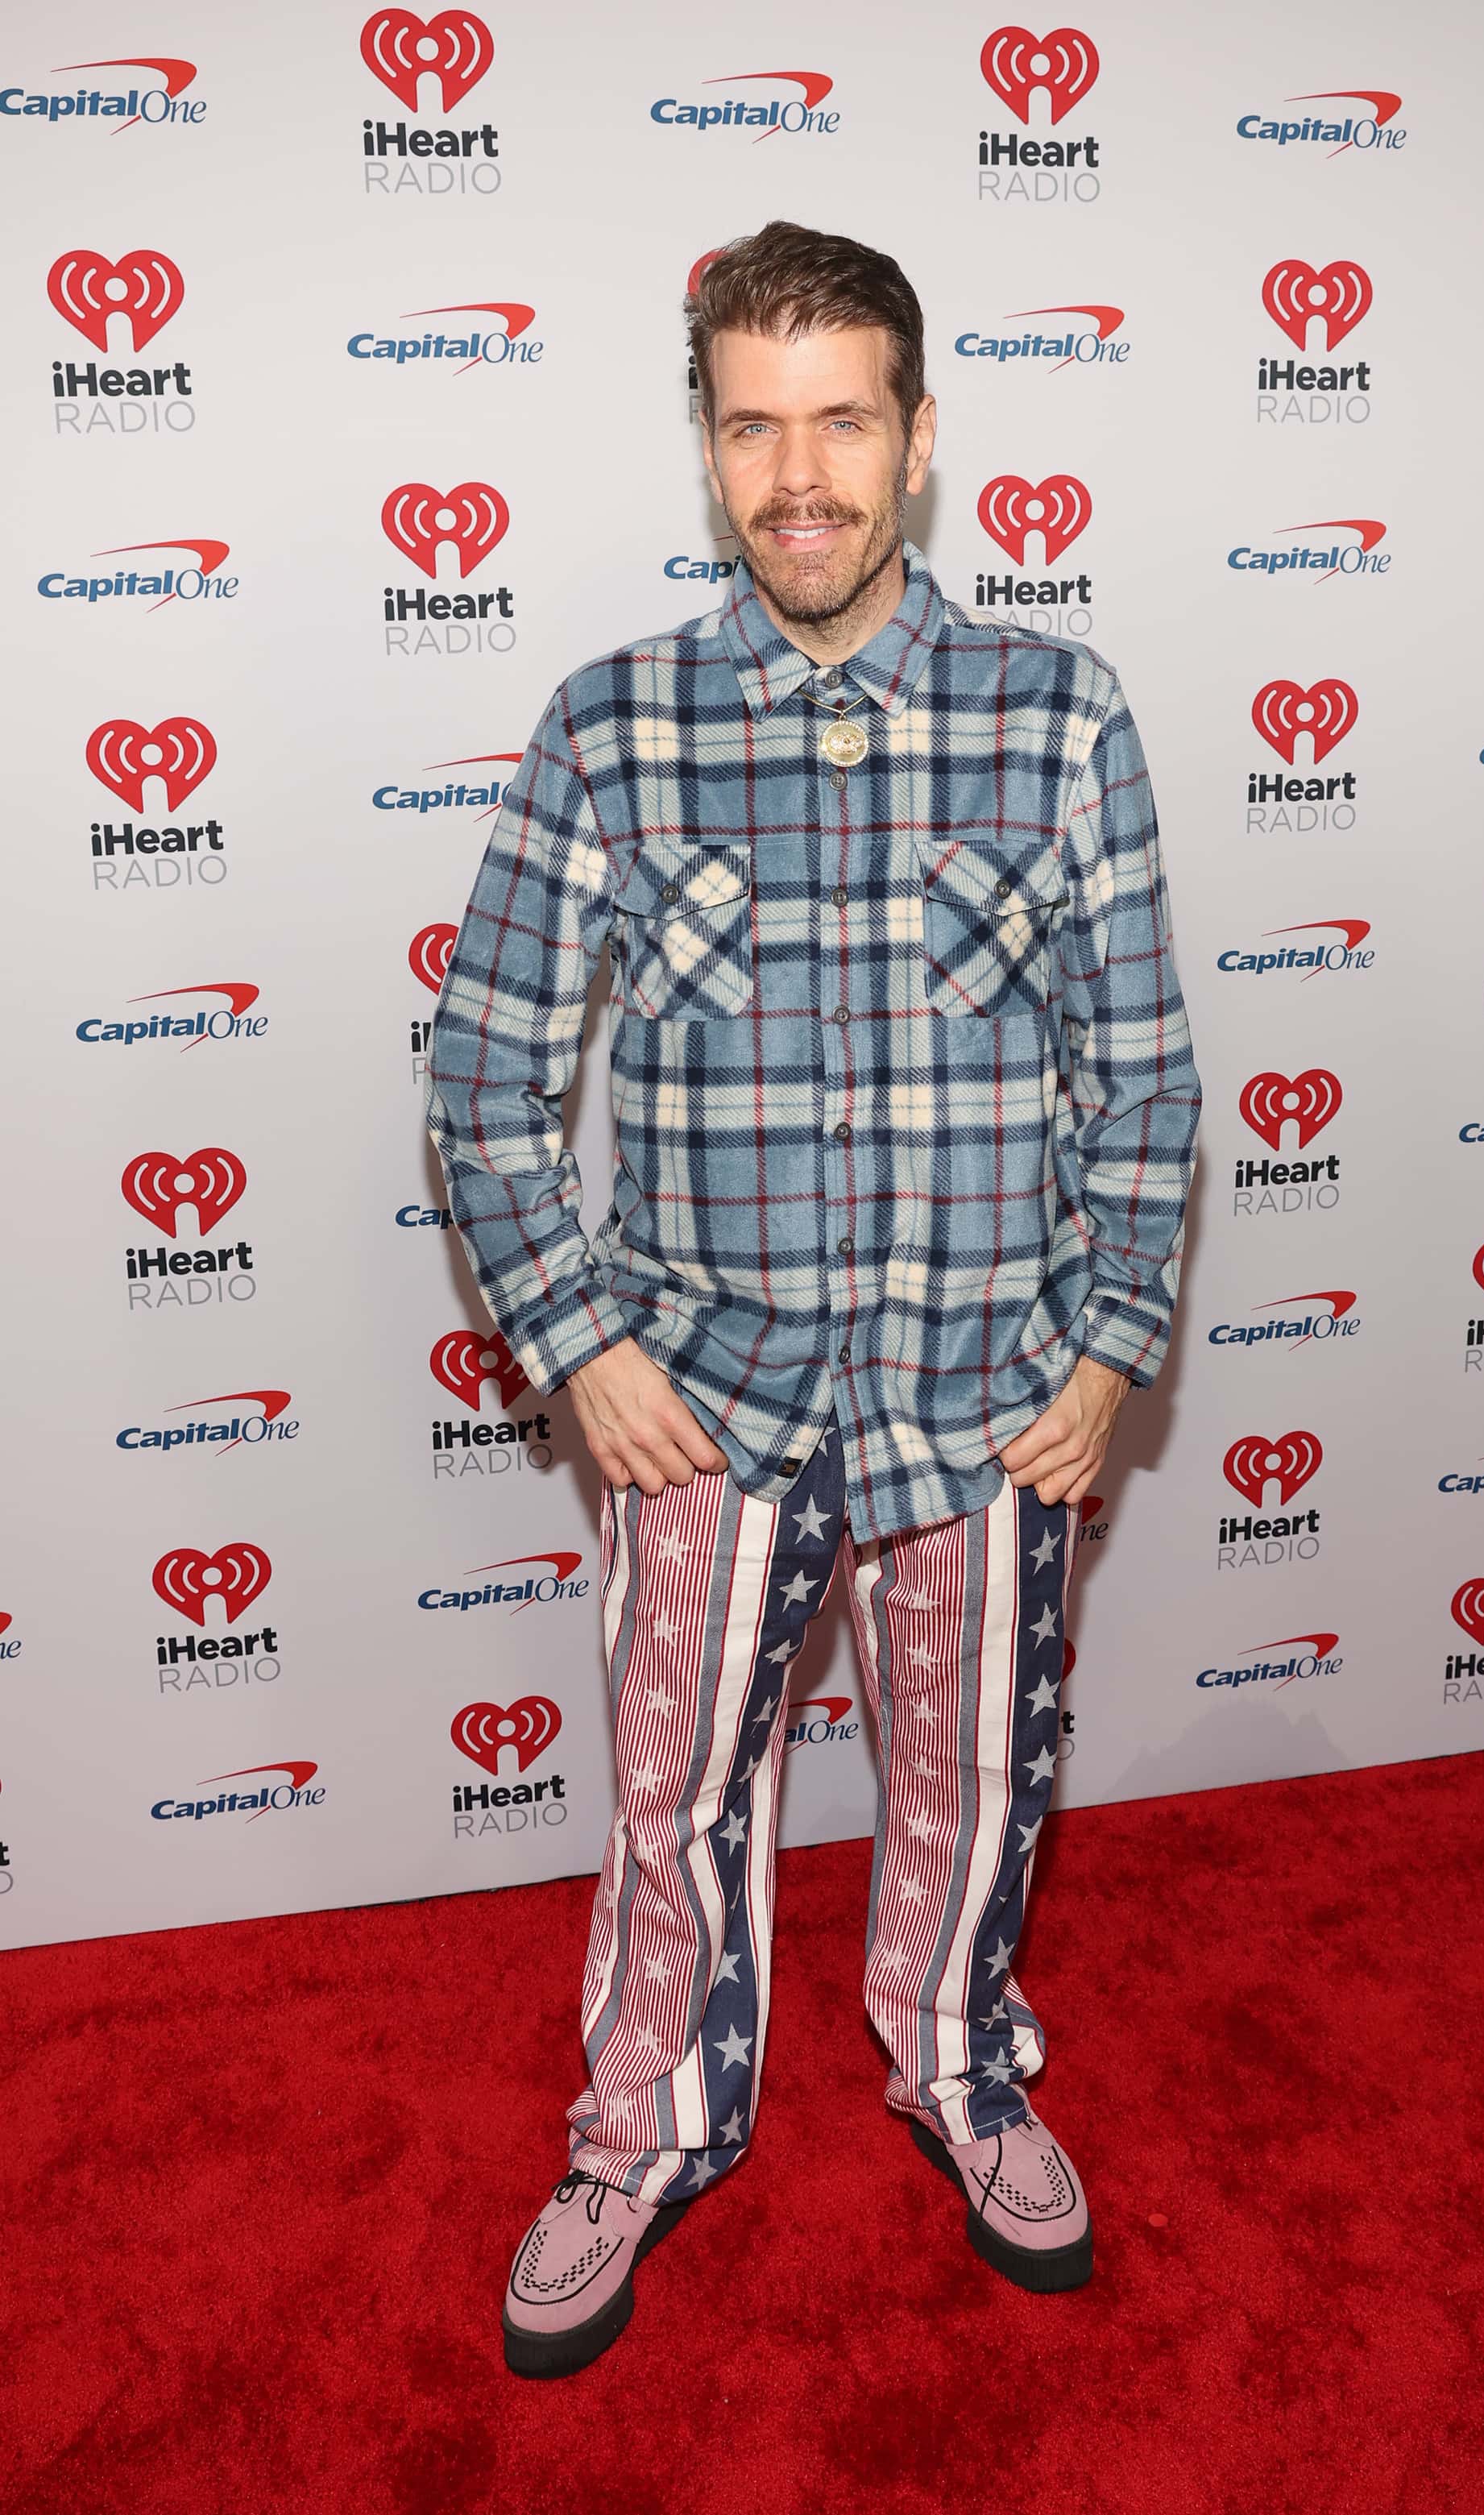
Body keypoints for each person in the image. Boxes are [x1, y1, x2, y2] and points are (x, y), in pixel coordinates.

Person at [427, 219, 1200, 2378]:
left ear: (920, 438)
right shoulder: (613, 728)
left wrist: (1111, 1335)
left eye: (840, 419)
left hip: (983, 1388)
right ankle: (642, 2121)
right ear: (705, 452)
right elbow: (483, 1073)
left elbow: (1135, 1063)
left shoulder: (1059, 713)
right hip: (713, 1389)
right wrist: (577, 1336)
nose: (799, 474)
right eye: (754, 427)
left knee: (972, 1784)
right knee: (672, 1794)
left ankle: (959, 2064)